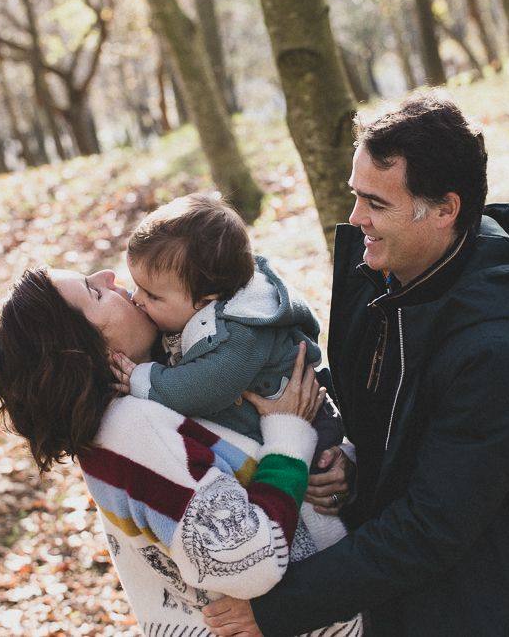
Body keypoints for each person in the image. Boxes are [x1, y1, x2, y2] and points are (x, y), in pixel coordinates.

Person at [203, 93, 509, 636]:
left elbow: (431, 526)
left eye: (376, 203)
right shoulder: (381, 275)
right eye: (355, 195)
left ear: (445, 209)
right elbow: (385, 417)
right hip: (389, 588)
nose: (354, 218)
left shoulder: (492, 348)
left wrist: (278, 609)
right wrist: (346, 460)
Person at [0, 266, 359, 635]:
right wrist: (289, 433)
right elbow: (248, 563)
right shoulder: (132, 429)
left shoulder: (160, 394)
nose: (108, 276)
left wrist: (330, 467)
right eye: (94, 293)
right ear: (85, 352)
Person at [112, 193, 349, 554]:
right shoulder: (198, 313)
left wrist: (144, 379)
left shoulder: (240, 333)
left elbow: (200, 389)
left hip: (311, 432)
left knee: (320, 510)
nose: (136, 299)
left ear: (207, 300)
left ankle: (332, 560)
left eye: (152, 296)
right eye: (137, 286)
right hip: (265, 435)